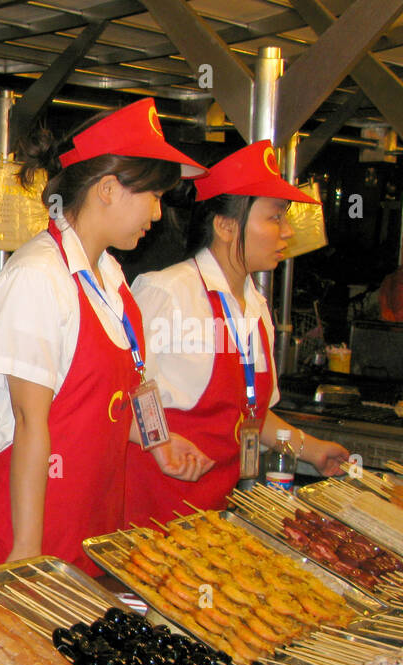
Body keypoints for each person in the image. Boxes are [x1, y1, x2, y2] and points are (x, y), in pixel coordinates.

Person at [0, 99, 214, 575]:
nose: (158, 214)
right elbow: (28, 422)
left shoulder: (110, 276)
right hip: (32, 530)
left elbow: (130, 386)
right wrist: (26, 554)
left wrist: (159, 441)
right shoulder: (38, 277)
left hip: (91, 526)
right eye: (153, 196)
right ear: (107, 189)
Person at [126, 141, 349, 527]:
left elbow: (250, 414)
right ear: (226, 225)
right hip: (146, 517)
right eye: (275, 218)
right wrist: (159, 441)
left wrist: (312, 450)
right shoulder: (167, 293)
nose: (288, 231)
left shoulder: (255, 305)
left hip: (211, 520)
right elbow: (119, 397)